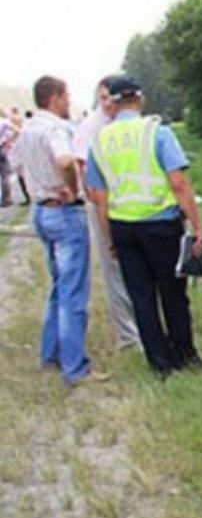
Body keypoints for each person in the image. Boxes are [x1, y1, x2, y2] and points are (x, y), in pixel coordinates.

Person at [86, 77, 202, 379]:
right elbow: (178, 183)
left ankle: (160, 364)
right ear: (139, 98)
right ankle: (184, 354)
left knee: (141, 297)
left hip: (124, 227)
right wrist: (198, 227)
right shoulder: (157, 132)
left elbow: (98, 196)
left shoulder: (99, 142)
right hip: (161, 225)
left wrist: (108, 235)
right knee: (173, 293)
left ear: (112, 103)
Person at [9, 76, 107, 385]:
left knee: (58, 287)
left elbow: (16, 164)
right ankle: (75, 367)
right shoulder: (56, 129)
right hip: (64, 212)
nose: (69, 101)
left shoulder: (27, 131)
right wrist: (72, 187)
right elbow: (65, 160)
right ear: (54, 98)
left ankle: (50, 353)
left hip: (41, 210)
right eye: (66, 96)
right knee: (73, 292)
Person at [73, 76, 140, 350]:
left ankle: (143, 323)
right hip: (104, 206)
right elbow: (81, 165)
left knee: (135, 268)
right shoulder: (92, 127)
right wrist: (100, 207)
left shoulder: (129, 123)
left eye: (110, 98)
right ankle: (128, 336)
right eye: (102, 98)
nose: (107, 103)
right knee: (114, 270)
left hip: (132, 206)